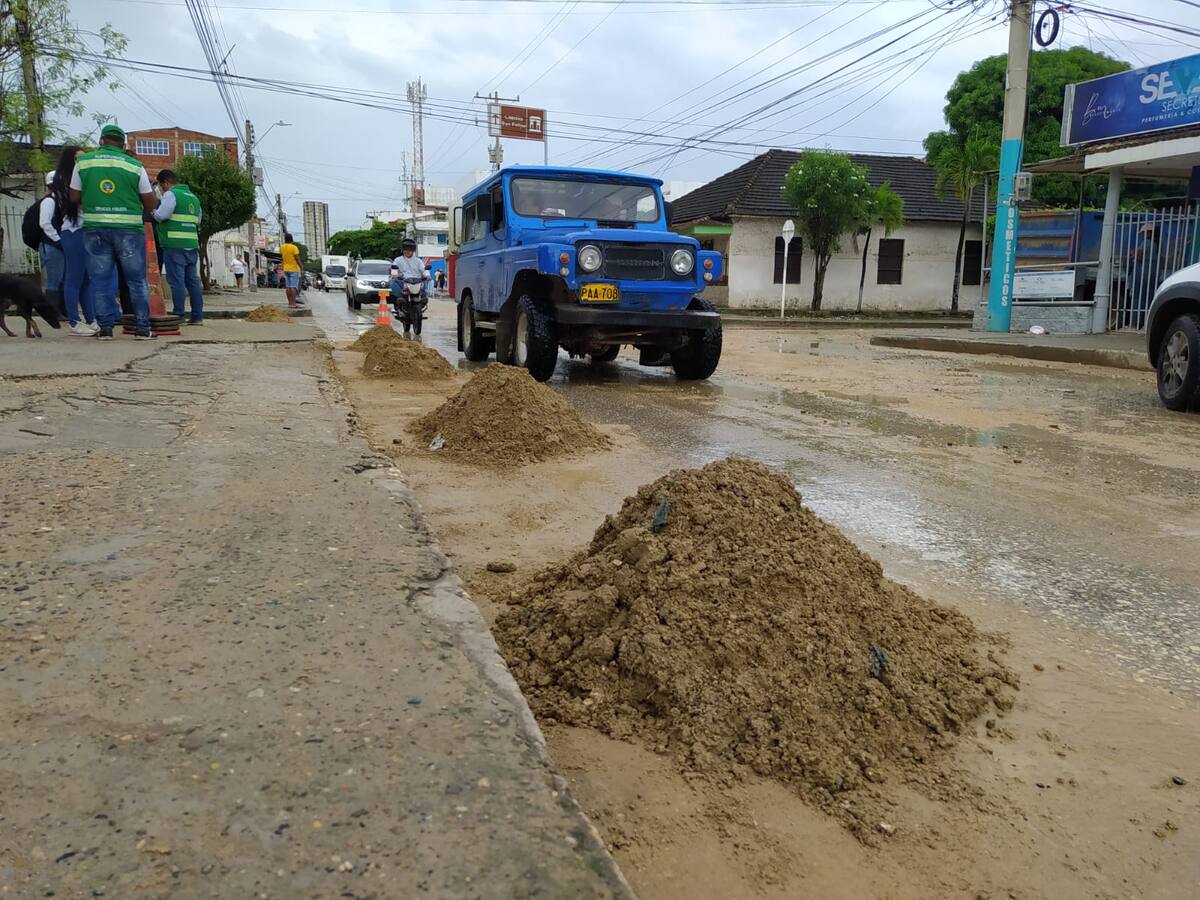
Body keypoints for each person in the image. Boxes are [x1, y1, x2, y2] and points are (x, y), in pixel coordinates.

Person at [68, 123, 157, 340]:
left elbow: (74, 197)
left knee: (99, 281)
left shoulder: (83, 163)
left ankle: (106, 329)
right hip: (129, 230)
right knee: (136, 280)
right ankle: (142, 328)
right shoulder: (134, 166)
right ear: (123, 145)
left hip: (95, 228)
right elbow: (150, 202)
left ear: (101, 141)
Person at [45, 147, 97, 336]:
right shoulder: (65, 183)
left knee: (86, 279)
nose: (82, 162)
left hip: (85, 229)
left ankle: (91, 319)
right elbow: (76, 203)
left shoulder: (81, 178)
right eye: (78, 159)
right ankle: (74, 322)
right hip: (74, 231)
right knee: (74, 278)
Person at [153, 169, 205, 325]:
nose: (161, 190)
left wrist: (153, 212)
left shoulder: (171, 194)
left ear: (166, 183)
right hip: (191, 244)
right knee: (193, 281)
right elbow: (198, 220)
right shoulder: (194, 198)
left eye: (161, 186)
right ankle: (197, 316)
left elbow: (162, 215)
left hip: (174, 244)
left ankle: (179, 315)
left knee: (177, 282)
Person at [279, 233, 302, 308]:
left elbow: (282, 257)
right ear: (292, 240)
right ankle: (293, 303)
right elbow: (297, 258)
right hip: (293, 269)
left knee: (288, 287)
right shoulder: (294, 247)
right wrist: (301, 267)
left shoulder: (282, 247)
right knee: (293, 286)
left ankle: (289, 303)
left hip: (285, 269)